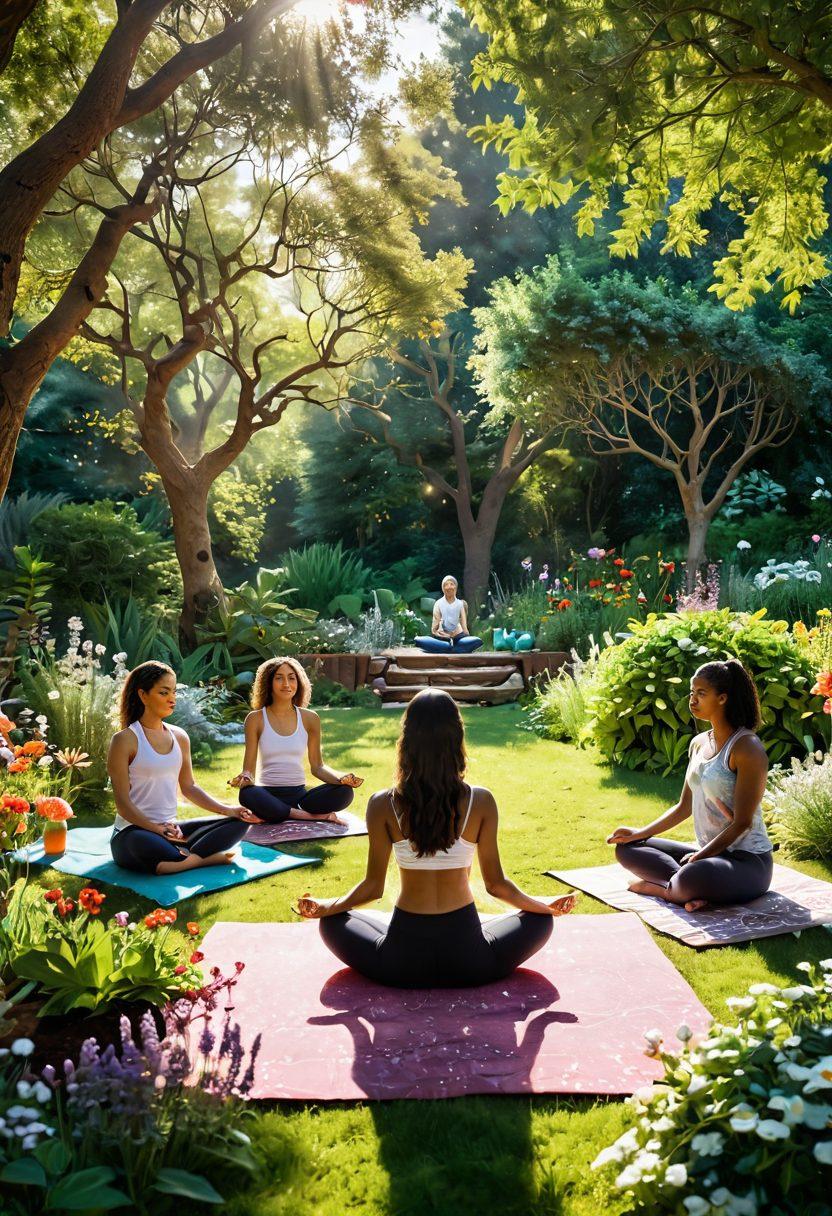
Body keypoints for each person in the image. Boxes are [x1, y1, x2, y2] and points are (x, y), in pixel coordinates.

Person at [297, 688, 575, 987]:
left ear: (407, 740)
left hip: (400, 965)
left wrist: (329, 907)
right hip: (472, 963)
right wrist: (543, 905)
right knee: (539, 920)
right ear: (457, 737)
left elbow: (372, 888)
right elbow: (496, 885)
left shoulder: (382, 804)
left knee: (333, 922)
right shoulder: (481, 801)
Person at [607, 659, 773, 913]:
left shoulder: (747, 748)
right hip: (708, 856)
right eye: (691, 692)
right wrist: (640, 833)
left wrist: (698, 858)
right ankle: (686, 890)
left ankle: (662, 888)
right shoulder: (698, 743)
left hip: (747, 863)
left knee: (694, 874)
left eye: (701, 693)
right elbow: (684, 806)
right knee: (626, 848)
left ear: (722, 698)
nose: (692, 700)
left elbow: (743, 823)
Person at [108, 661, 260, 875]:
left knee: (239, 823)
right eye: (164, 692)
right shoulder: (125, 740)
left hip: (172, 829)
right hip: (134, 831)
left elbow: (189, 787)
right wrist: (157, 830)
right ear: (143, 695)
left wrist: (229, 810)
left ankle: (176, 860)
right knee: (143, 844)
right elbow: (123, 805)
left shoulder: (179, 737)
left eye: (173, 692)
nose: (172, 699)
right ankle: (197, 859)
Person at [229, 656, 363, 824]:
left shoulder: (310, 718)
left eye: (291, 678)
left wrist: (341, 779)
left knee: (345, 792)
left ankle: (275, 814)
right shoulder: (255, 719)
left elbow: (318, 767)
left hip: (301, 798)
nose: (286, 684)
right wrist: (245, 778)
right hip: (266, 795)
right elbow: (248, 770)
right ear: (268, 683)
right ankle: (313, 817)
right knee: (247, 794)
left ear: (299, 682)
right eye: (279, 678)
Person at [413, 575, 483, 655]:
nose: (449, 587)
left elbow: (464, 626)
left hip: (458, 636)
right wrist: (439, 633)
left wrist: (466, 635)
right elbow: (434, 628)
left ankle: (454, 647)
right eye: (446, 585)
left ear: (455, 587)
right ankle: (446, 647)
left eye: (451, 584)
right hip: (442, 636)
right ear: (443, 588)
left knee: (471, 641)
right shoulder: (438, 603)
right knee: (436, 643)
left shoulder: (460, 604)